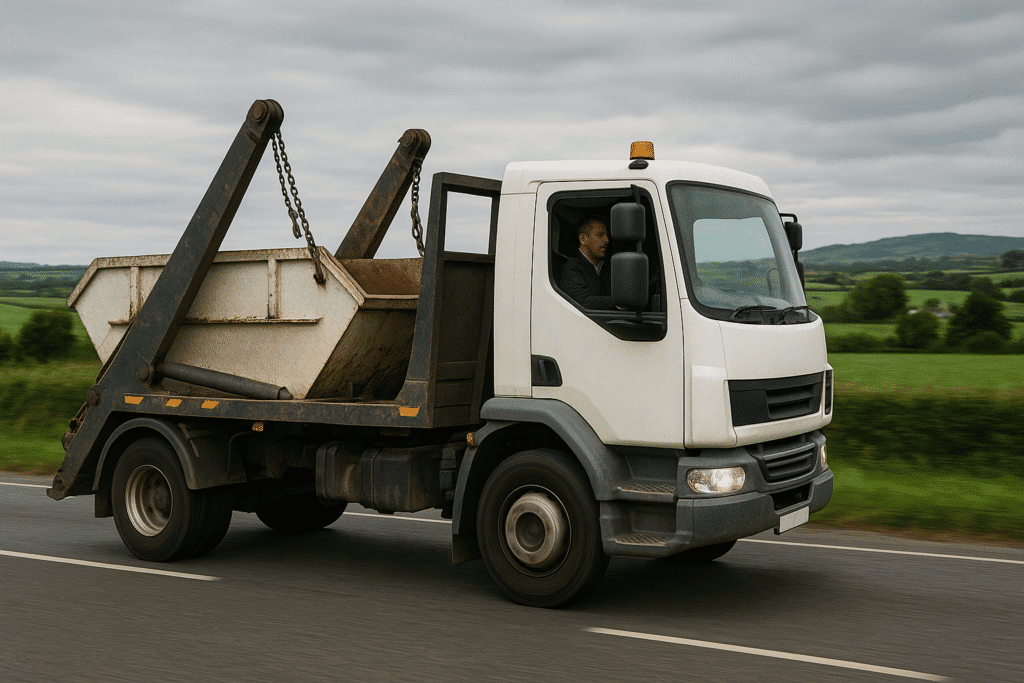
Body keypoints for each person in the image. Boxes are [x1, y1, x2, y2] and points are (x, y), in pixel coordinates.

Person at [557, 217, 614, 310]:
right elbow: (582, 302)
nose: (606, 240)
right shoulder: (571, 268)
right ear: (583, 239)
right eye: (600, 235)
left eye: (607, 235)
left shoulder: (607, 266)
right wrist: (619, 302)